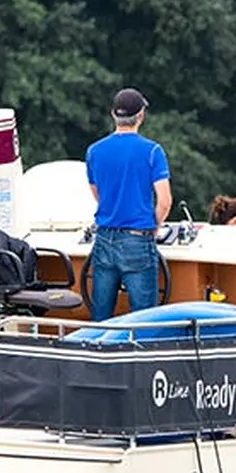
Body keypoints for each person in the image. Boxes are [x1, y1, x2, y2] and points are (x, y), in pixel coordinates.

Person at [85, 88, 171, 322]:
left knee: (101, 315)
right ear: (141, 116)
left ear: (113, 114)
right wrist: (154, 227)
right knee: (144, 320)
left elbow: (97, 193)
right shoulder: (152, 151)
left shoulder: (94, 151)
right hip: (137, 239)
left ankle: (97, 354)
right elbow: (165, 201)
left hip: (103, 238)